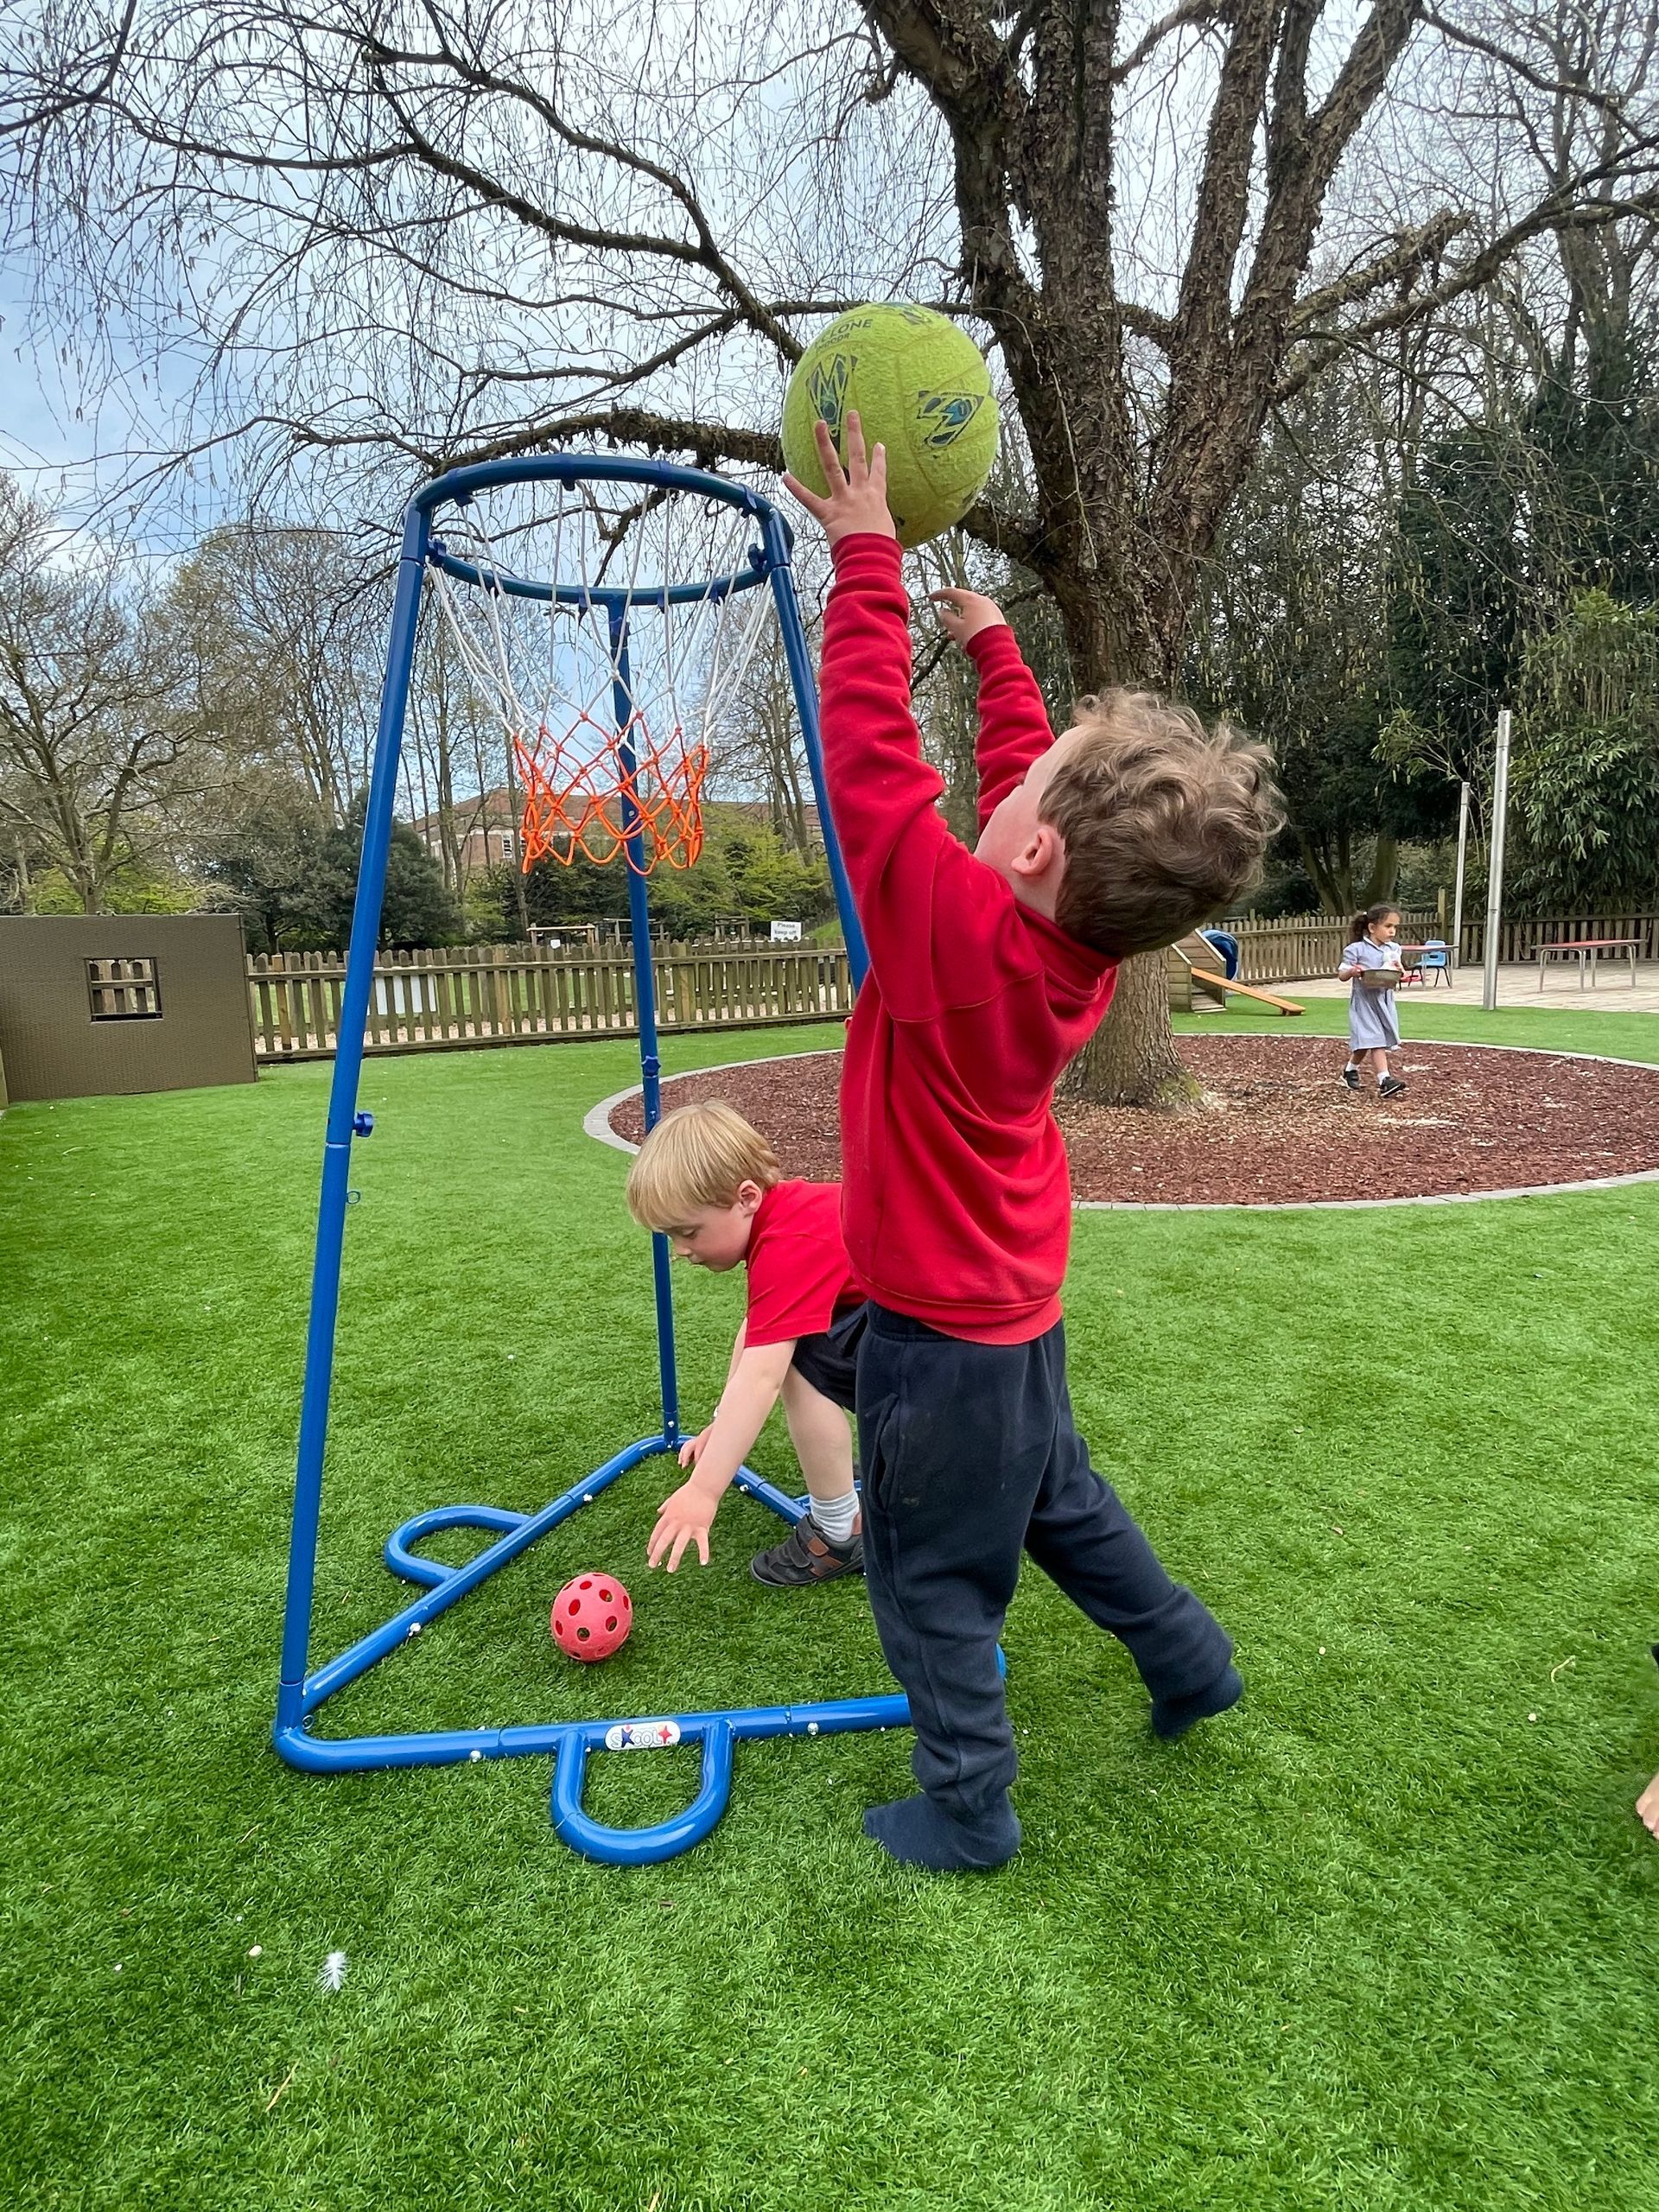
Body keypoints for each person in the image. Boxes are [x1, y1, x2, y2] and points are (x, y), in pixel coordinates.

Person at [782, 412, 1281, 1870]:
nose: (1009, 775)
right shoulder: (1040, 935)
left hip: (941, 1344)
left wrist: (865, 558)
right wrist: (1001, 655)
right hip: (1016, 1312)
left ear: (1034, 852)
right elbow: (1021, 785)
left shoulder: (948, 935)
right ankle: (1190, 1660)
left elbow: (872, 765)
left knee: (931, 1582)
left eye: (1027, 780)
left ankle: (968, 1807)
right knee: (1058, 1499)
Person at [626, 1099, 867, 1585]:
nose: (681, 1251)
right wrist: (720, 1424)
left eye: (689, 1231)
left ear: (747, 1197)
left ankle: (841, 1531)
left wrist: (704, 1490)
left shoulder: (789, 1241)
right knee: (790, 1341)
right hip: (940, 1334)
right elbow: (759, 1328)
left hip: (949, 1352)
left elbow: (762, 1375)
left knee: (796, 1362)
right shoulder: (787, 1215)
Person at [1338, 904, 1407, 1097]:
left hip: (1384, 1000)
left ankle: (1350, 1070)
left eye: (1395, 927)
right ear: (1372, 927)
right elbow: (1342, 974)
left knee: (1367, 1041)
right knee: (1376, 1039)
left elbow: (1399, 973)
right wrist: (1353, 971)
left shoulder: (1394, 949)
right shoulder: (1356, 949)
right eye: (1388, 926)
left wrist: (1400, 971)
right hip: (1364, 1001)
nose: (1392, 931)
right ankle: (1385, 1080)